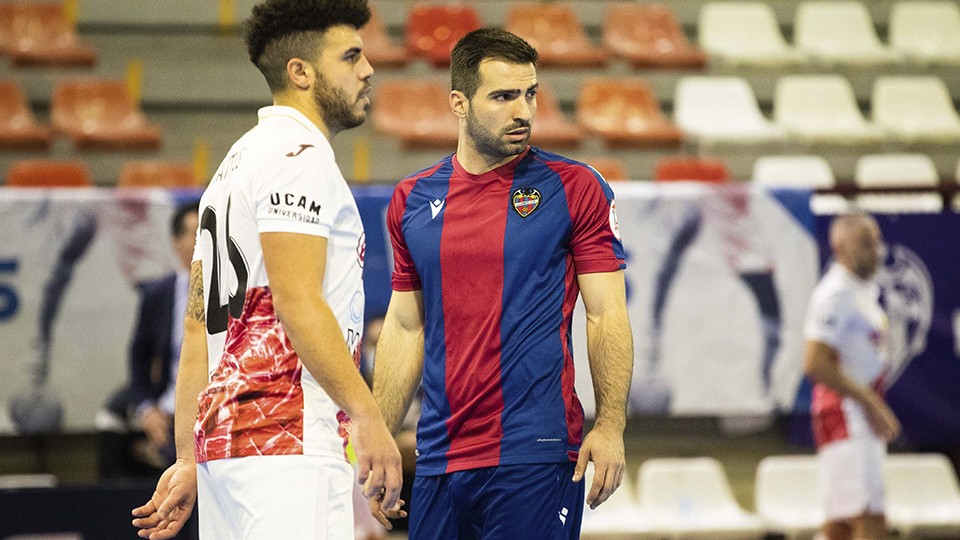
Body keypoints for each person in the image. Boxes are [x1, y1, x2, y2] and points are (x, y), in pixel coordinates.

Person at [131, 1, 402, 538]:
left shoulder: (234, 164)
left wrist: (188, 454)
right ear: (300, 72)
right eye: (350, 56)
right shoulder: (298, 156)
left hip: (229, 453)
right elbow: (296, 300)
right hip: (289, 444)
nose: (367, 70)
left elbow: (197, 325)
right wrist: (368, 416)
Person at [367, 28, 634, 539]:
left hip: (535, 452)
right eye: (503, 96)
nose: (524, 111)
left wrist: (612, 424)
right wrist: (380, 432)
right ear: (459, 103)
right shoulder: (412, 199)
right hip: (439, 456)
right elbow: (405, 326)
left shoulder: (575, 187)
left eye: (530, 93)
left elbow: (606, 314)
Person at [804, 212, 901, 540]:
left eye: (876, 242)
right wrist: (870, 402)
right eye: (865, 243)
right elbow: (816, 363)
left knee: (841, 526)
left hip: (855, 416)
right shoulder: (835, 293)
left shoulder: (861, 292)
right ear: (839, 245)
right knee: (870, 517)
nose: (875, 250)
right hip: (847, 415)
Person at [97, 202, 199, 480]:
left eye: (208, 233)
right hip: (168, 403)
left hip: (212, 403)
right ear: (176, 242)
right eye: (194, 234)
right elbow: (138, 359)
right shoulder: (158, 294)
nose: (202, 242)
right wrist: (146, 408)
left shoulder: (234, 291)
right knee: (111, 419)